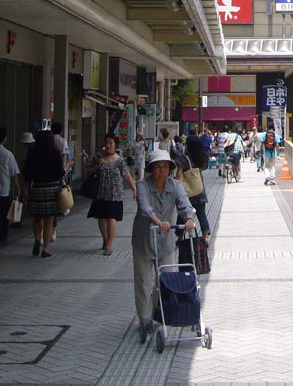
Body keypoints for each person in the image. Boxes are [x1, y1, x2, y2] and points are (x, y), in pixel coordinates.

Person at [131, 150, 195, 338]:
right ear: (151, 169)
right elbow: (145, 207)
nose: (162, 170)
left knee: (168, 281)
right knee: (145, 283)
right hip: (144, 240)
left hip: (166, 242)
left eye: (165, 166)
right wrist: (158, 222)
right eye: (158, 167)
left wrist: (189, 218)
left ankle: (162, 314)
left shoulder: (175, 185)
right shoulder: (142, 184)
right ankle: (145, 320)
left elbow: (184, 204)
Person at [86, 133, 137, 255]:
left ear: (115, 145)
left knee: (111, 218)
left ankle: (109, 244)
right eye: (106, 143)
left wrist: (135, 189)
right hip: (100, 193)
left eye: (111, 143)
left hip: (115, 194)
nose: (108, 145)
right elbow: (88, 172)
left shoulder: (119, 160)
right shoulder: (98, 157)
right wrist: (98, 165)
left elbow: (127, 175)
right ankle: (105, 239)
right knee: (101, 218)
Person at [24, 130, 66, 258]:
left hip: (37, 188)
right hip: (52, 189)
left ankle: (37, 239)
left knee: (37, 217)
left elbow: (28, 174)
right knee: (49, 220)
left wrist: (26, 189)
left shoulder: (33, 155)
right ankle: (46, 248)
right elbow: (61, 173)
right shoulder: (55, 154)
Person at [174, 137, 211, 245]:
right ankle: (206, 237)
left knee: (182, 214)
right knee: (201, 215)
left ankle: (180, 237)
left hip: (187, 193)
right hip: (199, 190)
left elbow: (179, 175)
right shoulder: (201, 157)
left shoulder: (184, 159)